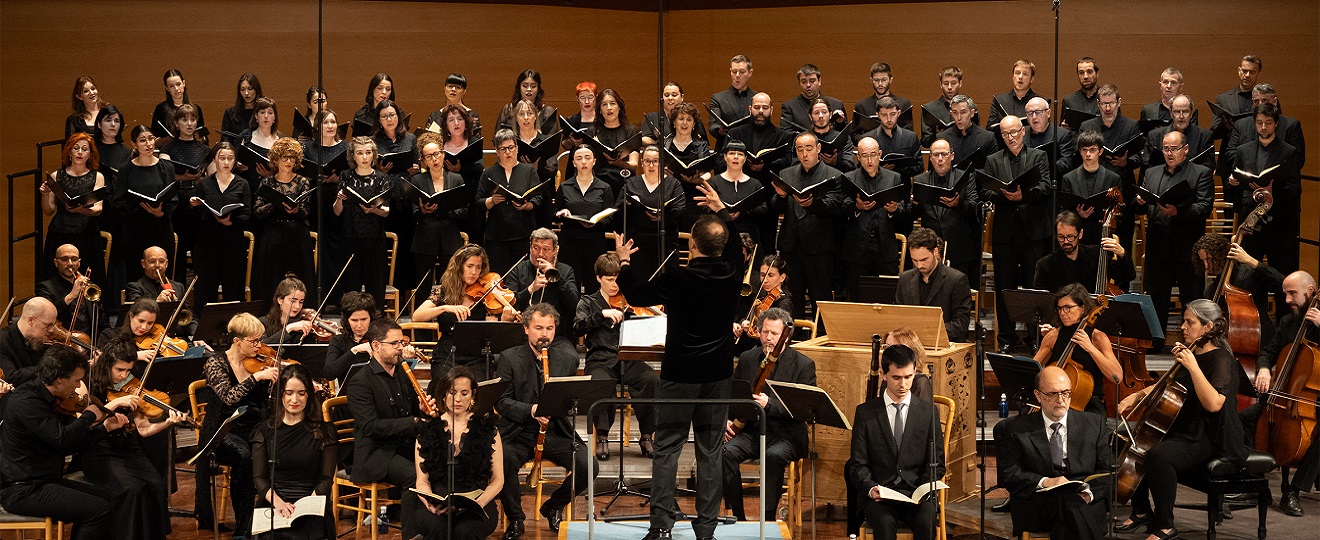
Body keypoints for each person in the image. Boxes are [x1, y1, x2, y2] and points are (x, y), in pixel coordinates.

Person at [616, 185, 744, 539]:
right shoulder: (733, 276)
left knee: (668, 448)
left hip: (680, 375)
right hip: (717, 377)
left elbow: (638, 294)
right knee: (710, 451)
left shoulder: (681, 277)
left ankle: (661, 526)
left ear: (692, 245)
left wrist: (624, 260)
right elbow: (736, 250)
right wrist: (723, 213)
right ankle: (706, 530)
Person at [1116, 300, 1247, 540]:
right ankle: (1142, 510)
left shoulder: (1221, 360)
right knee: (1133, 439)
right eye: (1184, 321)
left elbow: (1214, 403)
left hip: (1208, 436)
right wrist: (1136, 396)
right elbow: (1165, 384)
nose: (1183, 327)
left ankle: (1165, 526)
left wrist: (1193, 367)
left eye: (1190, 322)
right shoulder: (1192, 353)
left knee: (1158, 455)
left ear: (1208, 327)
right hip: (1184, 429)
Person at [0, 345, 129, 540]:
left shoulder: (54, 399)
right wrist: (87, 417)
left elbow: (74, 443)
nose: (78, 387)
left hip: (45, 481)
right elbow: (63, 440)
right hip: (22, 489)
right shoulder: (26, 402)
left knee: (105, 498)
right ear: (59, 379)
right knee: (98, 510)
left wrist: (105, 428)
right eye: (76, 380)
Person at [494, 304, 595, 538]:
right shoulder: (509, 358)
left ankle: (553, 506)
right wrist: (531, 410)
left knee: (589, 466)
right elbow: (502, 402)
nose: (544, 334)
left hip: (553, 431)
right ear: (526, 329)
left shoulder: (567, 359)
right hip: (518, 432)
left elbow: (571, 398)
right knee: (504, 460)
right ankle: (517, 519)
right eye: (538, 328)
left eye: (549, 328)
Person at [84, 335, 189, 540]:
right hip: (101, 452)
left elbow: (143, 430)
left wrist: (167, 423)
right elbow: (85, 424)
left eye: (128, 370)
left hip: (129, 449)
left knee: (156, 486)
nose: (124, 376)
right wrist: (114, 404)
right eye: (119, 370)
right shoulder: (90, 385)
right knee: (132, 490)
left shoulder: (133, 385)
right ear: (107, 366)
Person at [994, 366, 1111, 540]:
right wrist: (1046, 481)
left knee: (1068, 512)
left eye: (1065, 393)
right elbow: (1009, 474)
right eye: (1052, 394)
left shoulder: (1094, 423)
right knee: (1069, 504)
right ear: (1038, 395)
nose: (1060, 400)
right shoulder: (1012, 429)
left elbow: (1107, 470)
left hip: (1085, 498)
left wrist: (1088, 493)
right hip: (1038, 501)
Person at [722, 307, 815, 521]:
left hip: (786, 435)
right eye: (765, 332)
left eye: (774, 333)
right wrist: (727, 419)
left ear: (786, 336)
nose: (769, 338)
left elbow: (804, 410)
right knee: (725, 452)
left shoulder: (803, 365)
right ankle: (738, 517)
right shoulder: (747, 358)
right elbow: (734, 394)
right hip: (753, 432)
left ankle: (768, 519)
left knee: (772, 457)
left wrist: (770, 404)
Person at [1239, 271, 1319, 516]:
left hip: (1316, 399)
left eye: (1292, 293)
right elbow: (1269, 351)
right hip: (1289, 396)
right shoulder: (1288, 322)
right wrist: (1263, 369)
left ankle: (1292, 491)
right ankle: (1256, 483)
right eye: (1284, 293)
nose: (1286, 300)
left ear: (1311, 292)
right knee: (1242, 419)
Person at [344, 319, 434, 540]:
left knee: (437, 465)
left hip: (401, 447)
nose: (400, 348)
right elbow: (370, 426)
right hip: (375, 454)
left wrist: (423, 410)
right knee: (414, 476)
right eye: (394, 344)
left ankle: (432, 529)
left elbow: (414, 411)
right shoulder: (360, 382)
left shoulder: (402, 374)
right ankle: (412, 536)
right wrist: (413, 422)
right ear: (375, 346)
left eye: (401, 343)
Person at [846, 344, 945, 540]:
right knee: (884, 523)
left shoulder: (928, 412)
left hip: (916, 494)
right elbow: (858, 464)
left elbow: (937, 463)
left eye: (908, 377)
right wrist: (871, 487)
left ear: (915, 372)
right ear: (883, 374)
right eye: (896, 378)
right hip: (880, 495)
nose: (903, 384)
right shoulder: (866, 413)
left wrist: (924, 488)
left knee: (926, 521)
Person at [194, 313, 279, 536]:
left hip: (254, 429)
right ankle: (244, 527)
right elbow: (229, 397)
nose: (259, 346)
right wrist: (256, 379)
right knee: (244, 457)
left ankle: (270, 521)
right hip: (222, 433)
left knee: (279, 449)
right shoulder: (215, 363)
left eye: (260, 340)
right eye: (254, 341)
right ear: (236, 341)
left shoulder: (259, 362)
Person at [1135, 130, 1214, 352]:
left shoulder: (1201, 173)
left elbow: (1204, 207)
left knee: (1191, 297)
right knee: (1157, 298)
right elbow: (1139, 205)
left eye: (1174, 149)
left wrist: (1177, 212)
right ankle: (1156, 342)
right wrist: (1140, 201)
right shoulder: (1151, 173)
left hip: (1188, 248)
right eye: (1166, 149)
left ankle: (1194, 344)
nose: (1169, 153)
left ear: (1185, 150)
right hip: (1158, 246)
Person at [575, 253, 659, 460]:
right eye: (610, 279)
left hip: (629, 359)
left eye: (617, 279)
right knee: (601, 382)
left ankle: (646, 435)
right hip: (600, 359)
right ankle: (602, 437)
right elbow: (577, 327)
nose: (615, 285)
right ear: (598, 278)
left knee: (651, 380)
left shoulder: (630, 301)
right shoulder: (588, 302)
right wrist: (600, 315)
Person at [981, 115, 1054, 352]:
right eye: (1005, 134)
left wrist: (1023, 196)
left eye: (1014, 132)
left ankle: (1035, 338)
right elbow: (985, 191)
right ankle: (1006, 338)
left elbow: (1045, 187)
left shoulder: (1038, 156)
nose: (1010, 137)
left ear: (1023, 131)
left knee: (1035, 287)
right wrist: (1004, 195)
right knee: (1005, 287)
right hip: (1005, 234)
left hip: (1033, 232)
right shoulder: (993, 160)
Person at [413, 366, 504, 539]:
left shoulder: (488, 429)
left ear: (472, 395)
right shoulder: (428, 429)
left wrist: (480, 503)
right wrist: (429, 504)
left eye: (464, 393)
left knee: (465, 532)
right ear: (444, 394)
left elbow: (498, 480)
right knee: (439, 530)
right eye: (452, 392)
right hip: (437, 502)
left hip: (477, 501)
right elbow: (422, 481)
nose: (458, 399)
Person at [250, 363, 337, 540]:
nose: (294, 400)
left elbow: (326, 479)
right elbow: (259, 478)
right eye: (289, 393)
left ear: (309, 396)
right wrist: (279, 503)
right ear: (280, 394)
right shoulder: (264, 431)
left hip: (311, 501)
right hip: (274, 502)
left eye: (301, 393)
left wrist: (307, 505)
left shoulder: (324, 432)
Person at [413, 244, 517, 380]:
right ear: (459, 266)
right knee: (445, 384)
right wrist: (445, 308)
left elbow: (491, 331)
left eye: (478, 267)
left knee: (478, 387)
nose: (474, 272)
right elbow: (417, 316)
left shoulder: (486, 294)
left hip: (476, 354)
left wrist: (504, 321)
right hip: (447, 351)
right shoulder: (444, 290)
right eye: (470, 266)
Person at [772, 132, 846, 318]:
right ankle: (790, 340)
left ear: (818, 149)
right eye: (800, 149)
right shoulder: (786, 173)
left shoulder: (834, 175)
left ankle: (820, 338)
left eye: (809, 149)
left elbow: (836, 206)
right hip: (791, 246)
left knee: (820, 299)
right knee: (791, 299)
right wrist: (780, 197)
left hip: (820, 247)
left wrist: (812, 205)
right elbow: (774, 207)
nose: (804, 154)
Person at [1227, 102, 1301, 280]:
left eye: (1268, 122)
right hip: (1251, 224)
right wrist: (1233, 183)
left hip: (1279, 225)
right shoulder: (1243, 151)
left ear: (1276, 124)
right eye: (1259, 122)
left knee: (1282, 277)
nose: (1263, 126)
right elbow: (1234, 192)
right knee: (1247, 278)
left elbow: (1295, 189)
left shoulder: (1289, 152)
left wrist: (1271, 191)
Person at [1032, 284, 1124, 413]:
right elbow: (1033, 370)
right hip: (1055, 405)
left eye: (1068, 308)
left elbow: (1117, 377)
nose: (1062, 313)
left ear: (1083, 308)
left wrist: (1091, 348)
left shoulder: (1097, 337)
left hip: (1089, 405)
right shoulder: (1053, 336)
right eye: (1059, 309)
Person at [1193, 233, 1285, 354]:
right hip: (1231, 345)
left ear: (1221, 255)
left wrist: (1252, 261)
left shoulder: (1249, 273)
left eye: (1209, 259)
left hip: (1260, 340)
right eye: (1203, 261)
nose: (1206, 266)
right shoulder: (1211, 291)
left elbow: (1283, 283)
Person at [253, 137, 319, 304]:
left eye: (292, 158)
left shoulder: (303, 182)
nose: (288, 161)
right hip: (273, 234)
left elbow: (305, 211)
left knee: (298, 275)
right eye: (284, 157)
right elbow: (258, 212)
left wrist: (296, 210)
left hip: (296, 235)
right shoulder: (267, 181)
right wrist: (275, 204)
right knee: (273, 275)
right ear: (276, 159)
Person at [1078, 84, 1143, 249]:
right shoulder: (1087, 126)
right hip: (1093, 188)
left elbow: (1141, 155)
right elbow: (1077, 155)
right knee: (1092, 241)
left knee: (1123, 239)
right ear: (1098, 104)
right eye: (1104, 103)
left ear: (1119, 102)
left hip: (1121, 188)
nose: (1108, 108)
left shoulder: (1131, 126)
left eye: (1111, 103)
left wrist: (1126, 162)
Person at [841, 136, 905, 300]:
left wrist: (893, 210)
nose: (870, 160)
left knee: (886, 297)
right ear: (858, 157)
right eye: (865, 155)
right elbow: (842, 207)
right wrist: (857, 207)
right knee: (857, 298)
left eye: (873, 154)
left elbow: (905, 209)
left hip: (885, 249)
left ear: (880, 154)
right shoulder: (849, 178)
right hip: (857, 250)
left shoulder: (894, 178)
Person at [190, 141, 252, 307]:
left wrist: (230, 221)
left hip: (232, 242)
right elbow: (199, 213)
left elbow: (246, 213)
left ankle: (233, 329)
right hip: (208, 242)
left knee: (233, 288)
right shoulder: (204, 183)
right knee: (205, 288)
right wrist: (196, 205)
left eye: (230, 158)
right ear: (214, 160)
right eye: (222, 158)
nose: (226, 162)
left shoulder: (242, 184)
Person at [910, 139, 981, 280]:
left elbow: (975, 209)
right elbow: (912, 214)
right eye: (936, 155)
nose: (940, 159)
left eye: (944, 154)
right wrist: (915, 204)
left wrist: (957, 204)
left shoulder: (966, 177)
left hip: (959, 247)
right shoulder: (920, 180)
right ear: (930, 158)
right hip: (929, 249)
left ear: (952, 156)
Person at [40, 133, 107, 284]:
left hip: (87, 234)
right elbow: (48, 210)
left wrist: (80, 210)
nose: (80, 152)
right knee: (55, 278)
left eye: (85, 149)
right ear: (69, 152)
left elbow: (98, 209)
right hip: (59, 233)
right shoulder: (57, 175)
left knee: (90, 278)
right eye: (75, 148)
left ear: (90, 154)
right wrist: (45, 194)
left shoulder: (97, 176)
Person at [411, 131, 471, 295]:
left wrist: (447, 211)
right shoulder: (417, 181)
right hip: (425, 238)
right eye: (428, 156)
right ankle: (422, 318)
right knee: (423, 286)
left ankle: (448, 317)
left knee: (450, 284)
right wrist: (423, 211)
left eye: (436, 154)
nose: (434, 159)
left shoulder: (456, 179)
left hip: (450, 238)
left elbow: (465, 211)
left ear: (443, 154)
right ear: (423, 160)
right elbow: (414, 213)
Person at [113, 126, 177, 282]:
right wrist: (142, 210)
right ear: (134, 144)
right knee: (136, 277)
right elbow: (118, 200)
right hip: (136, 230)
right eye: (142, 140)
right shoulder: (126, 169)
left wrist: (161, 212)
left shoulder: (166, 167)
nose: (148, 144)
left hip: (161, 227)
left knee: (163, 277)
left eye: (150, 138)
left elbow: (173, 197)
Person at [334, 136, 392, 304]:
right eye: (360, 153)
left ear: (373, 154)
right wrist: (339, 199)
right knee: (351, 286)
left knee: (376, 285)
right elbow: (337, 212)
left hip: (374, 239)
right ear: (353, 156)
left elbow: (386, 211)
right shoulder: (346, 176)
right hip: (350, 237)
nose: (365, 157)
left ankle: (376, 325)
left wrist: (374, 210)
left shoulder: (382, 178)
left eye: (368, 153)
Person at [477, 129, 543, 274]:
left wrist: (526, 205)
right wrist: (492, 200)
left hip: (523, 234)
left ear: (517, 148)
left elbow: (538, 199)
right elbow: (479, 202)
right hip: (496, 236)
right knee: (498, 279)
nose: (508, 152)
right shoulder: (489, 173)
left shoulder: (529, 171)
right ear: (497, 151)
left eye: (511, 147)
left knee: (522, 278)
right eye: (503, 149)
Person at [615, 145, 686, 279]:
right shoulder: (631, 183)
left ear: (662, 163)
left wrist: (663, 216)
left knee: (666, 286)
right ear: (642, 163)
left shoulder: (673, 184)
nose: (651, 165)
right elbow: (617, 212)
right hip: (638, 244)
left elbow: (680, 209)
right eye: (647, 161)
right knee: (640, 287)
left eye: (655, 161)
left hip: (665, 242)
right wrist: (628, 206)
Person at [505, 229, 580, 353]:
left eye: (545, 249)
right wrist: (530, 289)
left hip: (557, 336)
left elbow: (574, 305)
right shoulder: (518, 270)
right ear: (530, 247)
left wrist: (557, 279)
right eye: (536, 248)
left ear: (555, 250)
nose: (540, 254)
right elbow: (509, 304)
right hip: (524, 335)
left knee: (570, 358)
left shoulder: (566, 271)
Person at [554, 145, 615, 293]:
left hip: (595, 243)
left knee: (594, 286)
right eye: (579, 158)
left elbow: (610, 217)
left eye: (587, 158)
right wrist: (562, 212)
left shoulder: (604, 187)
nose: (583, 162)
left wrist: (595, 223)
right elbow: (555, 212)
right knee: (569, 286)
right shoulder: (564, 186)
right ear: (574, 163)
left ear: (594, 161)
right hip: (570, 242)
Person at [895, 228, 972, 343]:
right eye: (914, 260)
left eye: (924, 259)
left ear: (935, 252)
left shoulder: (957, 280)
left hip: (945, 345)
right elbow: (898, 317)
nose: (919, 265)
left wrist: (926, 333)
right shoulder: (904, 279)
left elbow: (961, 324)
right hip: (910, 347)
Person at [1033, 211, 1134, 295]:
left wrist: (1122, 254)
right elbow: (1041, 302)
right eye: (1061, 237)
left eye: (1070, 236)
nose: (1066, 241)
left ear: (1080, 234)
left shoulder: (1096, 254)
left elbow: (1128, 276)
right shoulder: (1045, 265)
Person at [1059, 130, 1124, 244]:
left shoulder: (1113, 178)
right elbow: (1065, 211)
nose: (1088, 154)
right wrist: (1078, 215)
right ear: (1080, 151)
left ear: (1100, 151)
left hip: (1102, 235)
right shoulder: (1068, 179)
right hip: (1078, 237)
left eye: (1092, 150)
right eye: (1084, 150)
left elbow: (1121, 210)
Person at [36, 244, 109, 337]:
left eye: (74, 259)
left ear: (79, 263)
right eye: (65, 259)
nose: (70, 263)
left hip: (90, 343)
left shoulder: (89, 286)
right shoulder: (45, 287)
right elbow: (44, 315)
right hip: (61, 344)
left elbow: (102, 320)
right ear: (56, 262)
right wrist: (72, 295)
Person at [665, 101, 716, 231]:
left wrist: (700, 179)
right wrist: (664, 174)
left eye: (689, 119)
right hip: (670, 197)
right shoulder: (665, 144)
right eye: (681, 119)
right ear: (674, 122)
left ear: (694, 124)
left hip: (694, 197)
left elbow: (708, 172)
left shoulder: (701, 144)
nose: (684, 123)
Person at [708, 140, 768, 245]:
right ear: (725, 157)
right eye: (731, 153)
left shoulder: (755, 184)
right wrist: (723, 212)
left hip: (749, 235)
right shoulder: (714, 182)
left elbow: (763, 210)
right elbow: (707, 208)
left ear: (745, 159)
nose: (736, 157)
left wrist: (743, 211)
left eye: (740, 154)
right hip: (720, 235)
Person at [727, 93, 795, 185]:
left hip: (769, 188)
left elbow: (787, 163)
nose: (761, 111)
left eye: (765, 108)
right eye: (757, 107)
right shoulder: (734, 133)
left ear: (771, 110)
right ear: (750, 109)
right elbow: (722, 162)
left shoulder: (783, 136)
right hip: (738, 186)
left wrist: (766, 166)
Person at [586, 88, 641, 194]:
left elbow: (634, 165)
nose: (609, 108)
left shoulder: (630, 130)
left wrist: (619, 163)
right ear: (600, 110)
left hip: (624, 182)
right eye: (604, 105)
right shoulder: (593, 131)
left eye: (612, 103)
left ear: (619, 107)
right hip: (599, 186)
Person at [1143, 94, 1214, 171]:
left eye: (1185, 112)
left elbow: (1208, 167)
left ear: (1191, 114)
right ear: (1171, 113)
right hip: (1163, 181)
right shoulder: (1155, 136)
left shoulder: (1204, 136)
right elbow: (1147, 166)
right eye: (1177, 112)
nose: (1181, 116)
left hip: (1192, 181)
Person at [856, 97, 922, 179]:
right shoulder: (867, 139)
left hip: (903, 187)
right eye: (884, 115)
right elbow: (859, 169)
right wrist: (879, 170)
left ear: (899, 113)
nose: (889, 119)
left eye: (892, 114)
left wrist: (898, 170)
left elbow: (920, 167)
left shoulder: (911, 137)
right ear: (878, 115)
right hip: (876, 187)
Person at [0, 297, 56, 389]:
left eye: (53, 325)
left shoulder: (38, 339)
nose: (52, 330)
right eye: (48, 325)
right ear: (31, 321)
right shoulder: (3, 341)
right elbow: (10, 377)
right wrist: (48, 368)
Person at [324, 291, 377, 383]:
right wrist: (354, 351)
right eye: (354, 320)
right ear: (346, 320)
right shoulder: (338, 341)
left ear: (371, 318)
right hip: (348, 395)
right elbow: (329, 373)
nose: (359, 325)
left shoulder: (380, 338)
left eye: (364, 319)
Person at [920, 67, 979, 148]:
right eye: (946, 83)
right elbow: (925, 142)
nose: (950, 87)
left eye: (954, 83)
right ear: (940, 84)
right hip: (940, 155)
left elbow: (977, 134)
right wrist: (939, 136)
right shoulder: (929, 109)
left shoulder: (971, 107)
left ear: (960, 83)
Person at [780, 64, 846, 133]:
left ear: (819, 81)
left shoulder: (836, 104)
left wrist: (840, 123)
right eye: (804, 81)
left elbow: (845, 134)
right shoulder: (789, 107)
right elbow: (785, 134)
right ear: (799, 83)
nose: (808, 85)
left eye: (812, 81)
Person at [708, 55, 756, 149]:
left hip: (751, 149)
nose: (737, 75)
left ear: (750, 73)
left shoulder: (757, 98)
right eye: (734, 72)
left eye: (742, 72)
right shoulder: (718, 98)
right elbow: (713, 125)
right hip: (726, 148)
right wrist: (719, 130)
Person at [937, 95, 996, 171]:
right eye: (955, 113)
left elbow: (993, 170)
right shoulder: (942, 138)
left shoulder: (987, 137)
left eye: (963, 112)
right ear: (951, 113)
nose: (959, 118)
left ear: (972, 113)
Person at [1022, 97, 1077, 177]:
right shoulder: (1021, 133)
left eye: (1038, 112)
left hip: (1052, 182)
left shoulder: (1062, 134)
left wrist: (1041, 170)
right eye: (1030, 113)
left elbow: (1066, 163)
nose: (1034, 117)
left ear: (1048, 113)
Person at [854, 62, 914, 132]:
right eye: (876, 80)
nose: (880, 84)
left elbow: (909, 133)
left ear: (890, 80)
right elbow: (855, 134)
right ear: (871, 80)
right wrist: (868, 141)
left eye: (884, 80)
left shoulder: (903, 104)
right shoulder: (861, 106)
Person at [641, 81, 707, 145]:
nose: (670, 98)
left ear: (682, 97)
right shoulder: (651, 117)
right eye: (666, 95)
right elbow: (644, 138)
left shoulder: (692, 116)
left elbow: (702, 140)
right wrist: (660, 144)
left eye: (674, 95)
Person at [494, 70, 557, 135]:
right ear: (519, 88)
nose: (529, 89)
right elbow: (497, 138)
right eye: (525, 85)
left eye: (533, 86)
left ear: (538, 89)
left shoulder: (547, 111)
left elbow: (553, 140)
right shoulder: (508, 109)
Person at [150, 69, 206, 141]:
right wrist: (164, 140)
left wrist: (200, 137)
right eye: (171, 86)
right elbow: (154, 138)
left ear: (184, 83)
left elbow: (204, 137)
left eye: (178, 84)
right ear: (167, 88)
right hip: (169, 150)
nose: (176, 89)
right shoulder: (161, 109)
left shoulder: (196, 108)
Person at [987, 60, 1042, 131]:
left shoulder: (1041, 102)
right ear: (1013, 76)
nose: (1020, 77)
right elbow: (990, 129)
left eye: (1025, 74)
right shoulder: (999, 100)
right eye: (1017, 73)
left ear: (1032, 79)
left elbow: (1043, 129)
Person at [805, 98, 856, 172]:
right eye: (816, 113)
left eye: (824, 112)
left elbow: (851, 166)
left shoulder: (844, 138)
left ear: (830, 115)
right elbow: (795, 165)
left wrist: (836, 162)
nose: (820, 116)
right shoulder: (804, 139)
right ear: (810, 117)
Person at [262, 276, 316, 344]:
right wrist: (289, 328)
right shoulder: (262, 324)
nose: (297, 306)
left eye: (301, 302)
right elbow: (261, 348)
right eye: (293, 301)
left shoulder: (305, 326)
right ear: (280, 300)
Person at [222, 73, 263, 144]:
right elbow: (225, 138)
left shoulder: (263, 112)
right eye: (242, 89)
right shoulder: (230, 112)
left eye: (250, 89)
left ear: (256, 90)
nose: (246, 93)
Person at [1061, 57, 1101, 124]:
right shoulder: (1069, 100)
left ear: (1097, 74)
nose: (1085, 76)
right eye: (1081, 73)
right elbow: (1062, 131)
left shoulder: (1108, 99)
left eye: (1089, 72)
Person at [561, 81, 598, 150]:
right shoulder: (571, 120)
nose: (587, 101)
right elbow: (565, 146)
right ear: (577, 99)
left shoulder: (603, 119)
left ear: (596, 98)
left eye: (590, 97)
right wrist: (570, 141)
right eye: (582, 98)